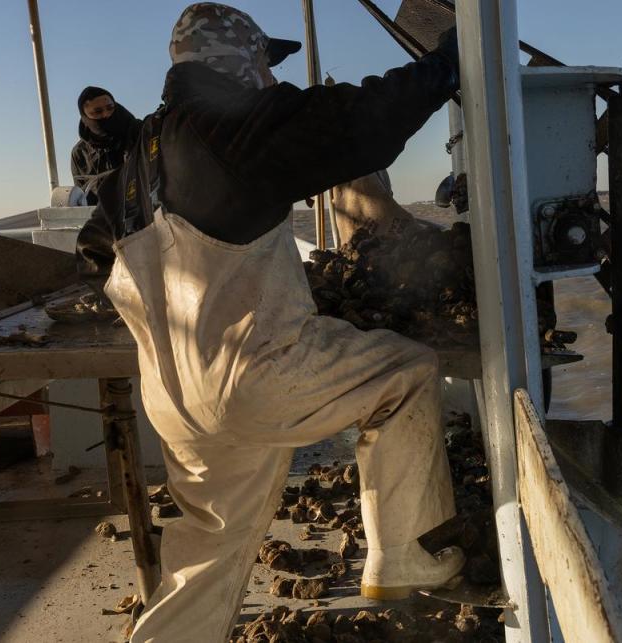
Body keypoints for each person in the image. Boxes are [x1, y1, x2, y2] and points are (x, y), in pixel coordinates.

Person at [75, 3, 463, 641]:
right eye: (260, 58)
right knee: (407, 375)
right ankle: (407, 557)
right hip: (254, 374)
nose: (265, 72)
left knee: (206, 557)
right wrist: (444, 65)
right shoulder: (229, 127)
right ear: (231, 61)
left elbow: (94, 251)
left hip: (171, 397)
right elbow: (357, 121)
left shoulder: (142, 153)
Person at [70, 87, 141, 204]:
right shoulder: (80, 154)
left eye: (110, 108)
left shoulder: (140, 133)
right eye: (98, 112)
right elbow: (84, 197)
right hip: (106, 217)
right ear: (85, 117)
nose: (106, 114)